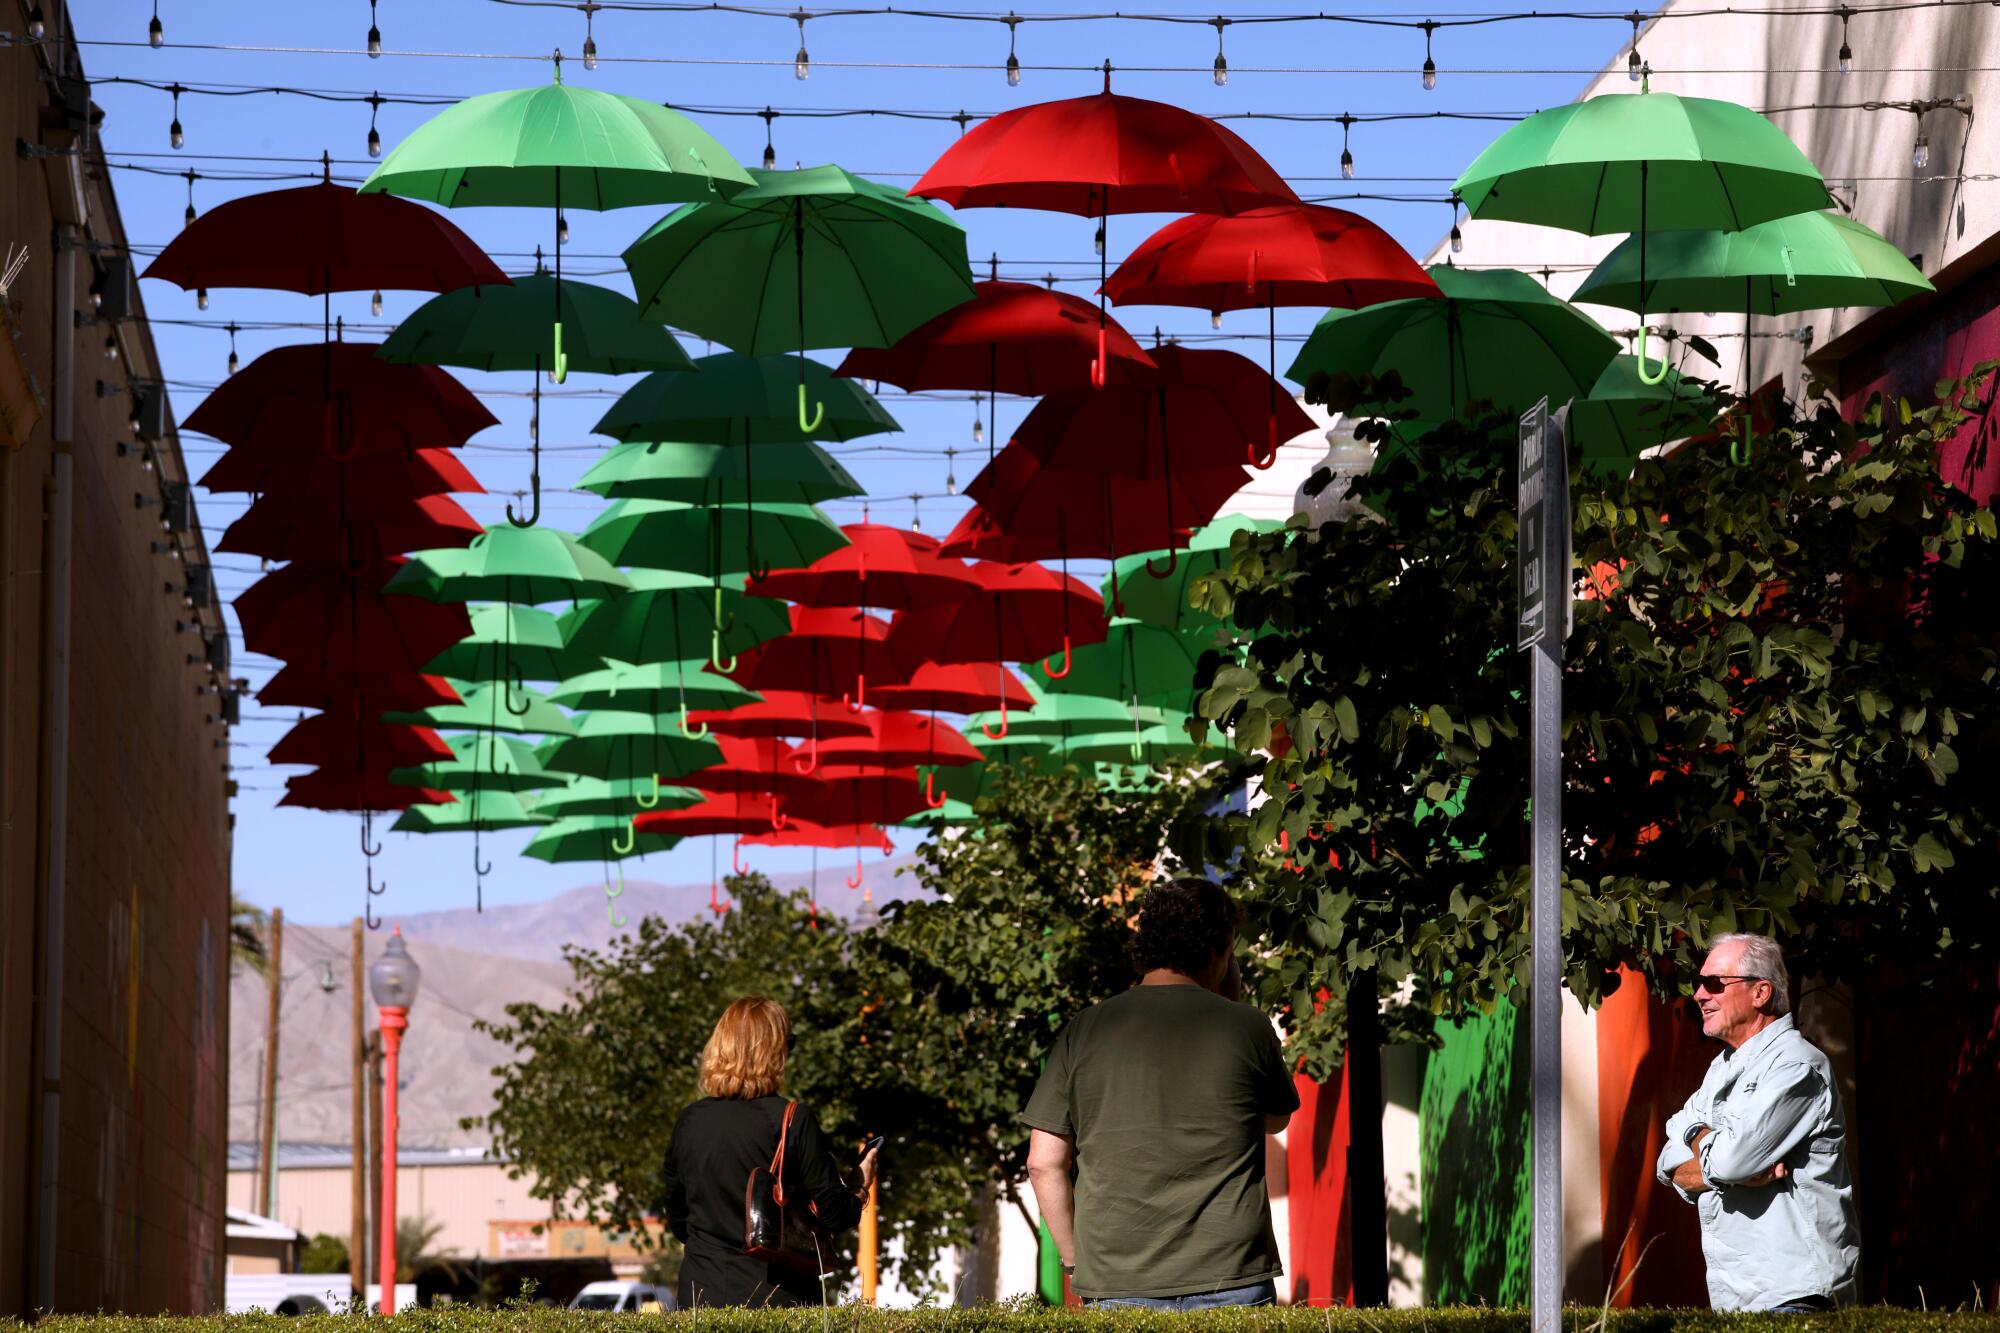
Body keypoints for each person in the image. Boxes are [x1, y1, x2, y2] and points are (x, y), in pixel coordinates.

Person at [1022, 876, 1298, 1309]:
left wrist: (1077, 1260)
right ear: (1221, 949)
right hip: (1231, 1274)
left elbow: (1042, 1163)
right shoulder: (1246, 1027)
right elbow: (1274, 1119)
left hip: (1116, 1282)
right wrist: (1233, 1001)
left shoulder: (1086, 1029)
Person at [1656, 933, 1860, 1312]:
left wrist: (1709, 1151)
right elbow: (1668, 1161)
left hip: (1795, 1295)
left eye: (1714, 983)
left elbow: (1730, 1161)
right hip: (1735, 1300)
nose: (1700, 995)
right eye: (1699, 984)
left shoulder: (1796, 1066)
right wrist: (1702, 1141)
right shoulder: (1720, 1069)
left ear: (1760, 992)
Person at [662, 996, 879, 1309]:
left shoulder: (690, 1121)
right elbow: (834, 1215)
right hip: (777, 1297)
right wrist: (859, 1185)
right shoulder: (793, 1119)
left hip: (700, 1295)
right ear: (774, 1051)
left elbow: (678, 1217)